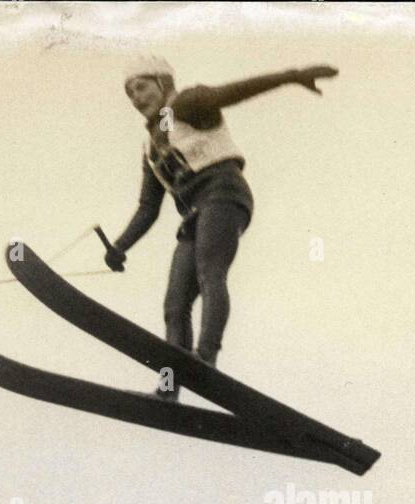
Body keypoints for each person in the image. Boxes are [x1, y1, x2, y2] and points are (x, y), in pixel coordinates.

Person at [105, 56, 338, 401]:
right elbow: (148, 208)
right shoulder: (151, 147)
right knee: (174, 304)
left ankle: (206, 358)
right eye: (130, 94)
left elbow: (235, 92)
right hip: (194, 214)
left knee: (209, 272)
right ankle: (169, 390)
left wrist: (291, 75)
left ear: (163, 83)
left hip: (224, 194)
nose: (137, 98)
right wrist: (119, 246)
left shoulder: (185, 104)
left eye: (141, 87)